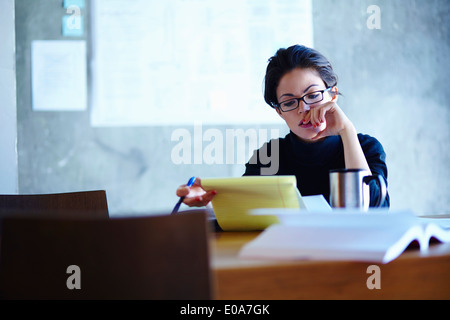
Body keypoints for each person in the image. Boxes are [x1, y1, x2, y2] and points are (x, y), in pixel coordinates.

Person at [176, 44, 390, 208]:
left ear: (332, 95)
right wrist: (210, 198)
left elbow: (371, 207)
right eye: (289, 102)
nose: (303, 108)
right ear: (279, 112)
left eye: (313, 95)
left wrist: (347, 131)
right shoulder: (270, 155)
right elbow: (242, 205)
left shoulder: (367, 147)